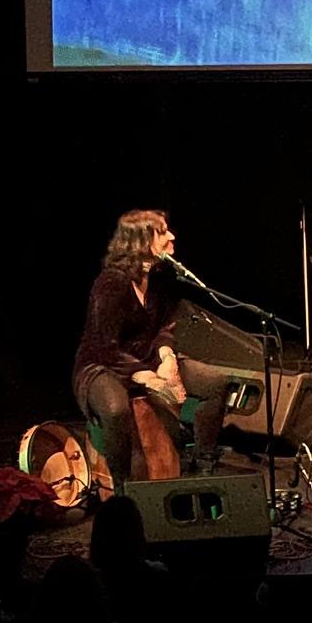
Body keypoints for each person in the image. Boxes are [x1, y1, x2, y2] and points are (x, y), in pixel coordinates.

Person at [71, 210, 228, 491]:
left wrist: (167, 357)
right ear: (142, 240)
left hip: (150, 356)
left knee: (215, 383)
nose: (172, 236)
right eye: (163, 231)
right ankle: (124, 487)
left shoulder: (158, 278)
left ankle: (203, 463)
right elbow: (104, 346)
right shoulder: (111, 283)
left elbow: (165, 327)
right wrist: (148, 377)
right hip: (103, 365)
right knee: (116, 409)